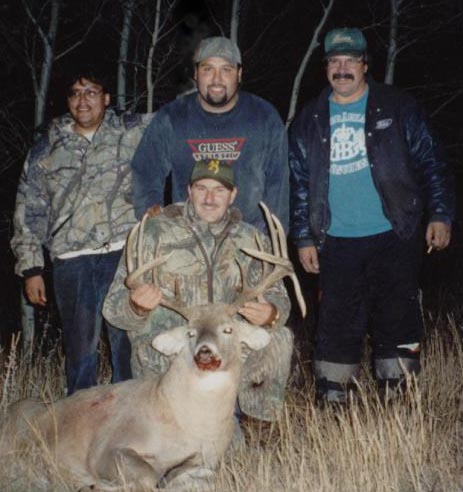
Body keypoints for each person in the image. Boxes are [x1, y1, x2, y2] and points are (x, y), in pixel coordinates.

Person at [289, 28, 454, 403]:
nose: (342, 68)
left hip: (393, 232)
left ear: (365, 65)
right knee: (336, 319)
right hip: (336, 238)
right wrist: (302, 237)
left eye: (350, 61)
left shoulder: (398, 106)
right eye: (335, 61)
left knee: (397, 314)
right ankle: (333, 395)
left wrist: (440, 214)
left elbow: (432, 163)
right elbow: (298, 183)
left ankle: (399, 394)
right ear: (326, 67)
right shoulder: (310, 118)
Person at [103, 159, 294, 421]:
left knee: (279, 337)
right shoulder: (154, 234)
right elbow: (113, 310)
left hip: (227, 350)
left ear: (233, 194)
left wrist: (270, 314)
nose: (210, 198)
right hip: (173, 355)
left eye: (219, 190)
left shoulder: (251, 238)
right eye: (202, 188)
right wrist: (135, 307)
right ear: (189, 191)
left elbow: (278, 299)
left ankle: (257, 422)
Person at [11, 67, 151, 395]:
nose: (82, 100)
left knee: (127, 348)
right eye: (75, 93)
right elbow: (28, 212)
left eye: (90, 92)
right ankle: (80, 429)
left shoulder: (131, 132)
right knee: (80, 353)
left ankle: (127, 428)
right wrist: (31, 269)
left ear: (105, 98)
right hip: (72, 261)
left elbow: (180, 122)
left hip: (124, 258)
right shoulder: (46, 148)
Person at [131, 36, 289, 233]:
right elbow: (145, 171)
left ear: (239, 74)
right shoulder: (172, 117)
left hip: (248, 237)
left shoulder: (263, 117)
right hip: (188, 236)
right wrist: (152, 213)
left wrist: (275, 236)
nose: (216, 79)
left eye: (226, 70)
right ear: (196, 74)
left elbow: (279, 184)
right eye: (207, 69)